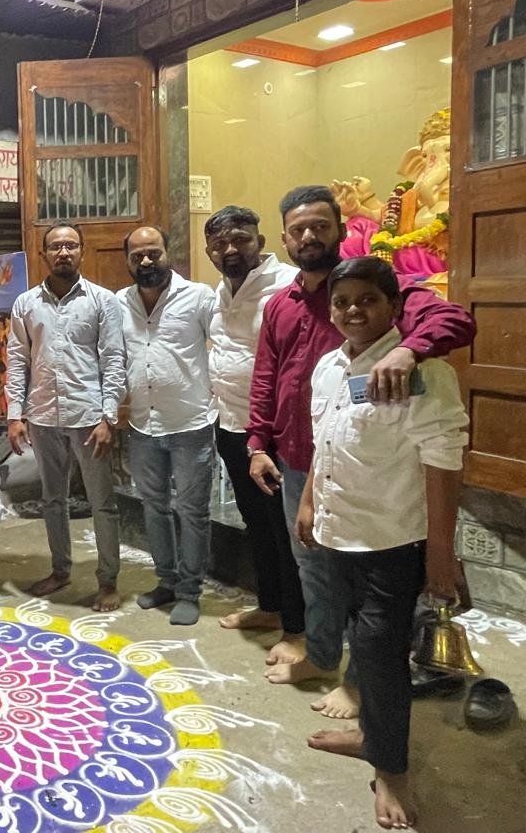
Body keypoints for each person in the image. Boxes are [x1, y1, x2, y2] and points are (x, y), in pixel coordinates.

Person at [247, 185, 475, 717]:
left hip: (369, 470)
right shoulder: (280, 303)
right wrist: (258, 440)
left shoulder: (378, 286)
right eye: (298, 230)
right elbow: (266, 374)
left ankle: (360, 684)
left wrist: (407, 350)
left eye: (319, 226)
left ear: (341, 230)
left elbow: (456, 321)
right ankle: (322, 656)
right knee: (313, 569)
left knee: (371, 595)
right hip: (302, 458)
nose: (309, 237)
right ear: (285, 239)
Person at [295, 257, 468, 830]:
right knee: (360, 645)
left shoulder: (422, 373)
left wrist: (440, 554)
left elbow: (443, 462)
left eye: (367, 300)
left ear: (394, 306)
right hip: (338, 535)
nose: (353, 311)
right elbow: (324, 441)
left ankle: (393, 771)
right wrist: (309, 501)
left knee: (382, 658)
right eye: (342, 301)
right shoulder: (329, 367)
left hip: (391, 543)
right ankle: (371, 735)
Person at [204, 206, 306, 663]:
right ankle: (270, 606)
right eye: (219, 243)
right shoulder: (220, 291)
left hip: (274, 434)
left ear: (261, 240)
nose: (230, 249)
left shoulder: (287, 285)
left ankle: (298, 629)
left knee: (285, 533)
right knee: (257, 525)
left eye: (240, 239)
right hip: (231, 425)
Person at [6, 223, 126, 612]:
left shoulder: (102, 301)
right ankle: (60, 570)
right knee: (52, 499)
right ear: (44, 253)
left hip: (89, 416)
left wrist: (108, 416)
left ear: (82, 251)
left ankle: (108, 581)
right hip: (43, 415)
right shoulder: (26, 303)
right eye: (55, 246)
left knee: (101, 502)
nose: (63, 252)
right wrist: (15, 414)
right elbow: (18, 359)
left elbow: (114, 359)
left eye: (70, 245)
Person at [118, 226, 218, 626]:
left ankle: (190, 591)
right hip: (143, 424)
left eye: (153, 253)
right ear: (128, 260)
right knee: (154, 507)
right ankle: (166, 581)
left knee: (192, 511)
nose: (146, 261)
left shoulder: (199, 297)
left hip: (190, 423)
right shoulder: (118, 304)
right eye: (137, 255)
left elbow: (224, 345)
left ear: (167, 252)